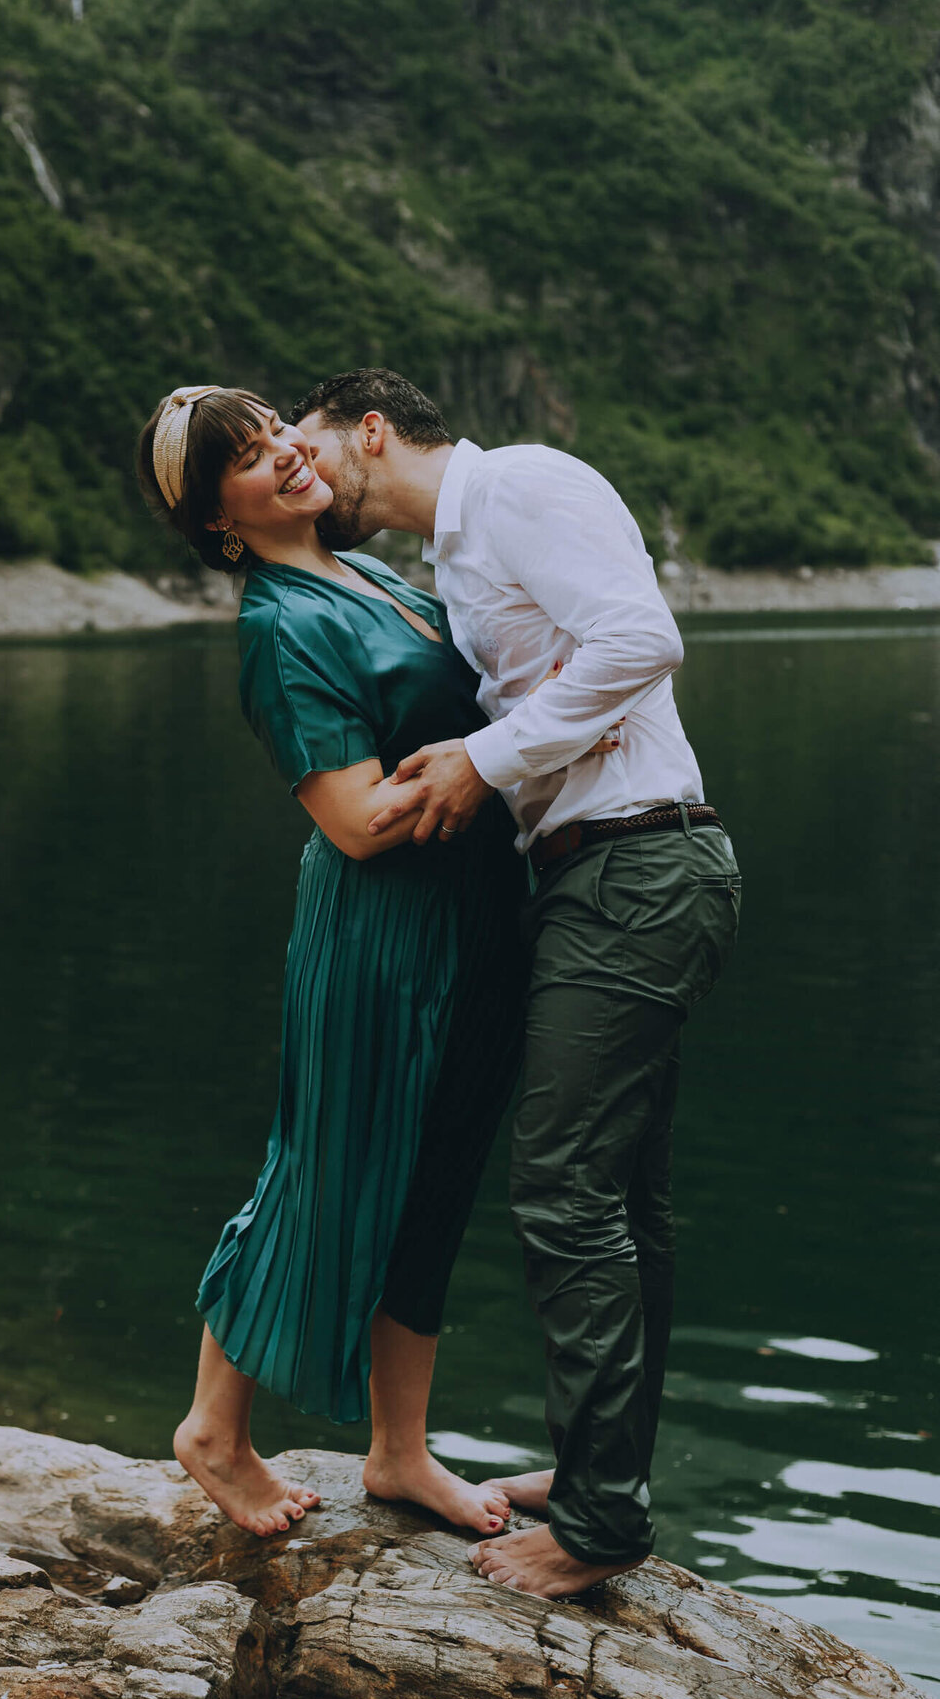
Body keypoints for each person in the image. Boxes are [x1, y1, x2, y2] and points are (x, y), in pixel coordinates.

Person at [135, 385, 614, 1540]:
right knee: (322, 1172)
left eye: (271, 435)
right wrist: (493, 756)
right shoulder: (279, 626)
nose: (281, 457)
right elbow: (352, 821)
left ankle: (399, 1454)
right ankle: (213, 1429)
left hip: (475, 919)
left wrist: (538, 713)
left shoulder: (374, 578)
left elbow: (477, 713)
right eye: (243, 462)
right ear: (219, 524)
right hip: (380, 941)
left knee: (437, 1178)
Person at [292, 368, 741, 1598]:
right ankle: (608, 1473)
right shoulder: (453, 562)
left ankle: (599, 1528)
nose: (298, 470)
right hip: (607, 875)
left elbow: (644, 640)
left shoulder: (524, 486)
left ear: (369, 429)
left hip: (641, 865)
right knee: (624, 1202)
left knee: (562, 1190)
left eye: (307, 444)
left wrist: (487, 757)